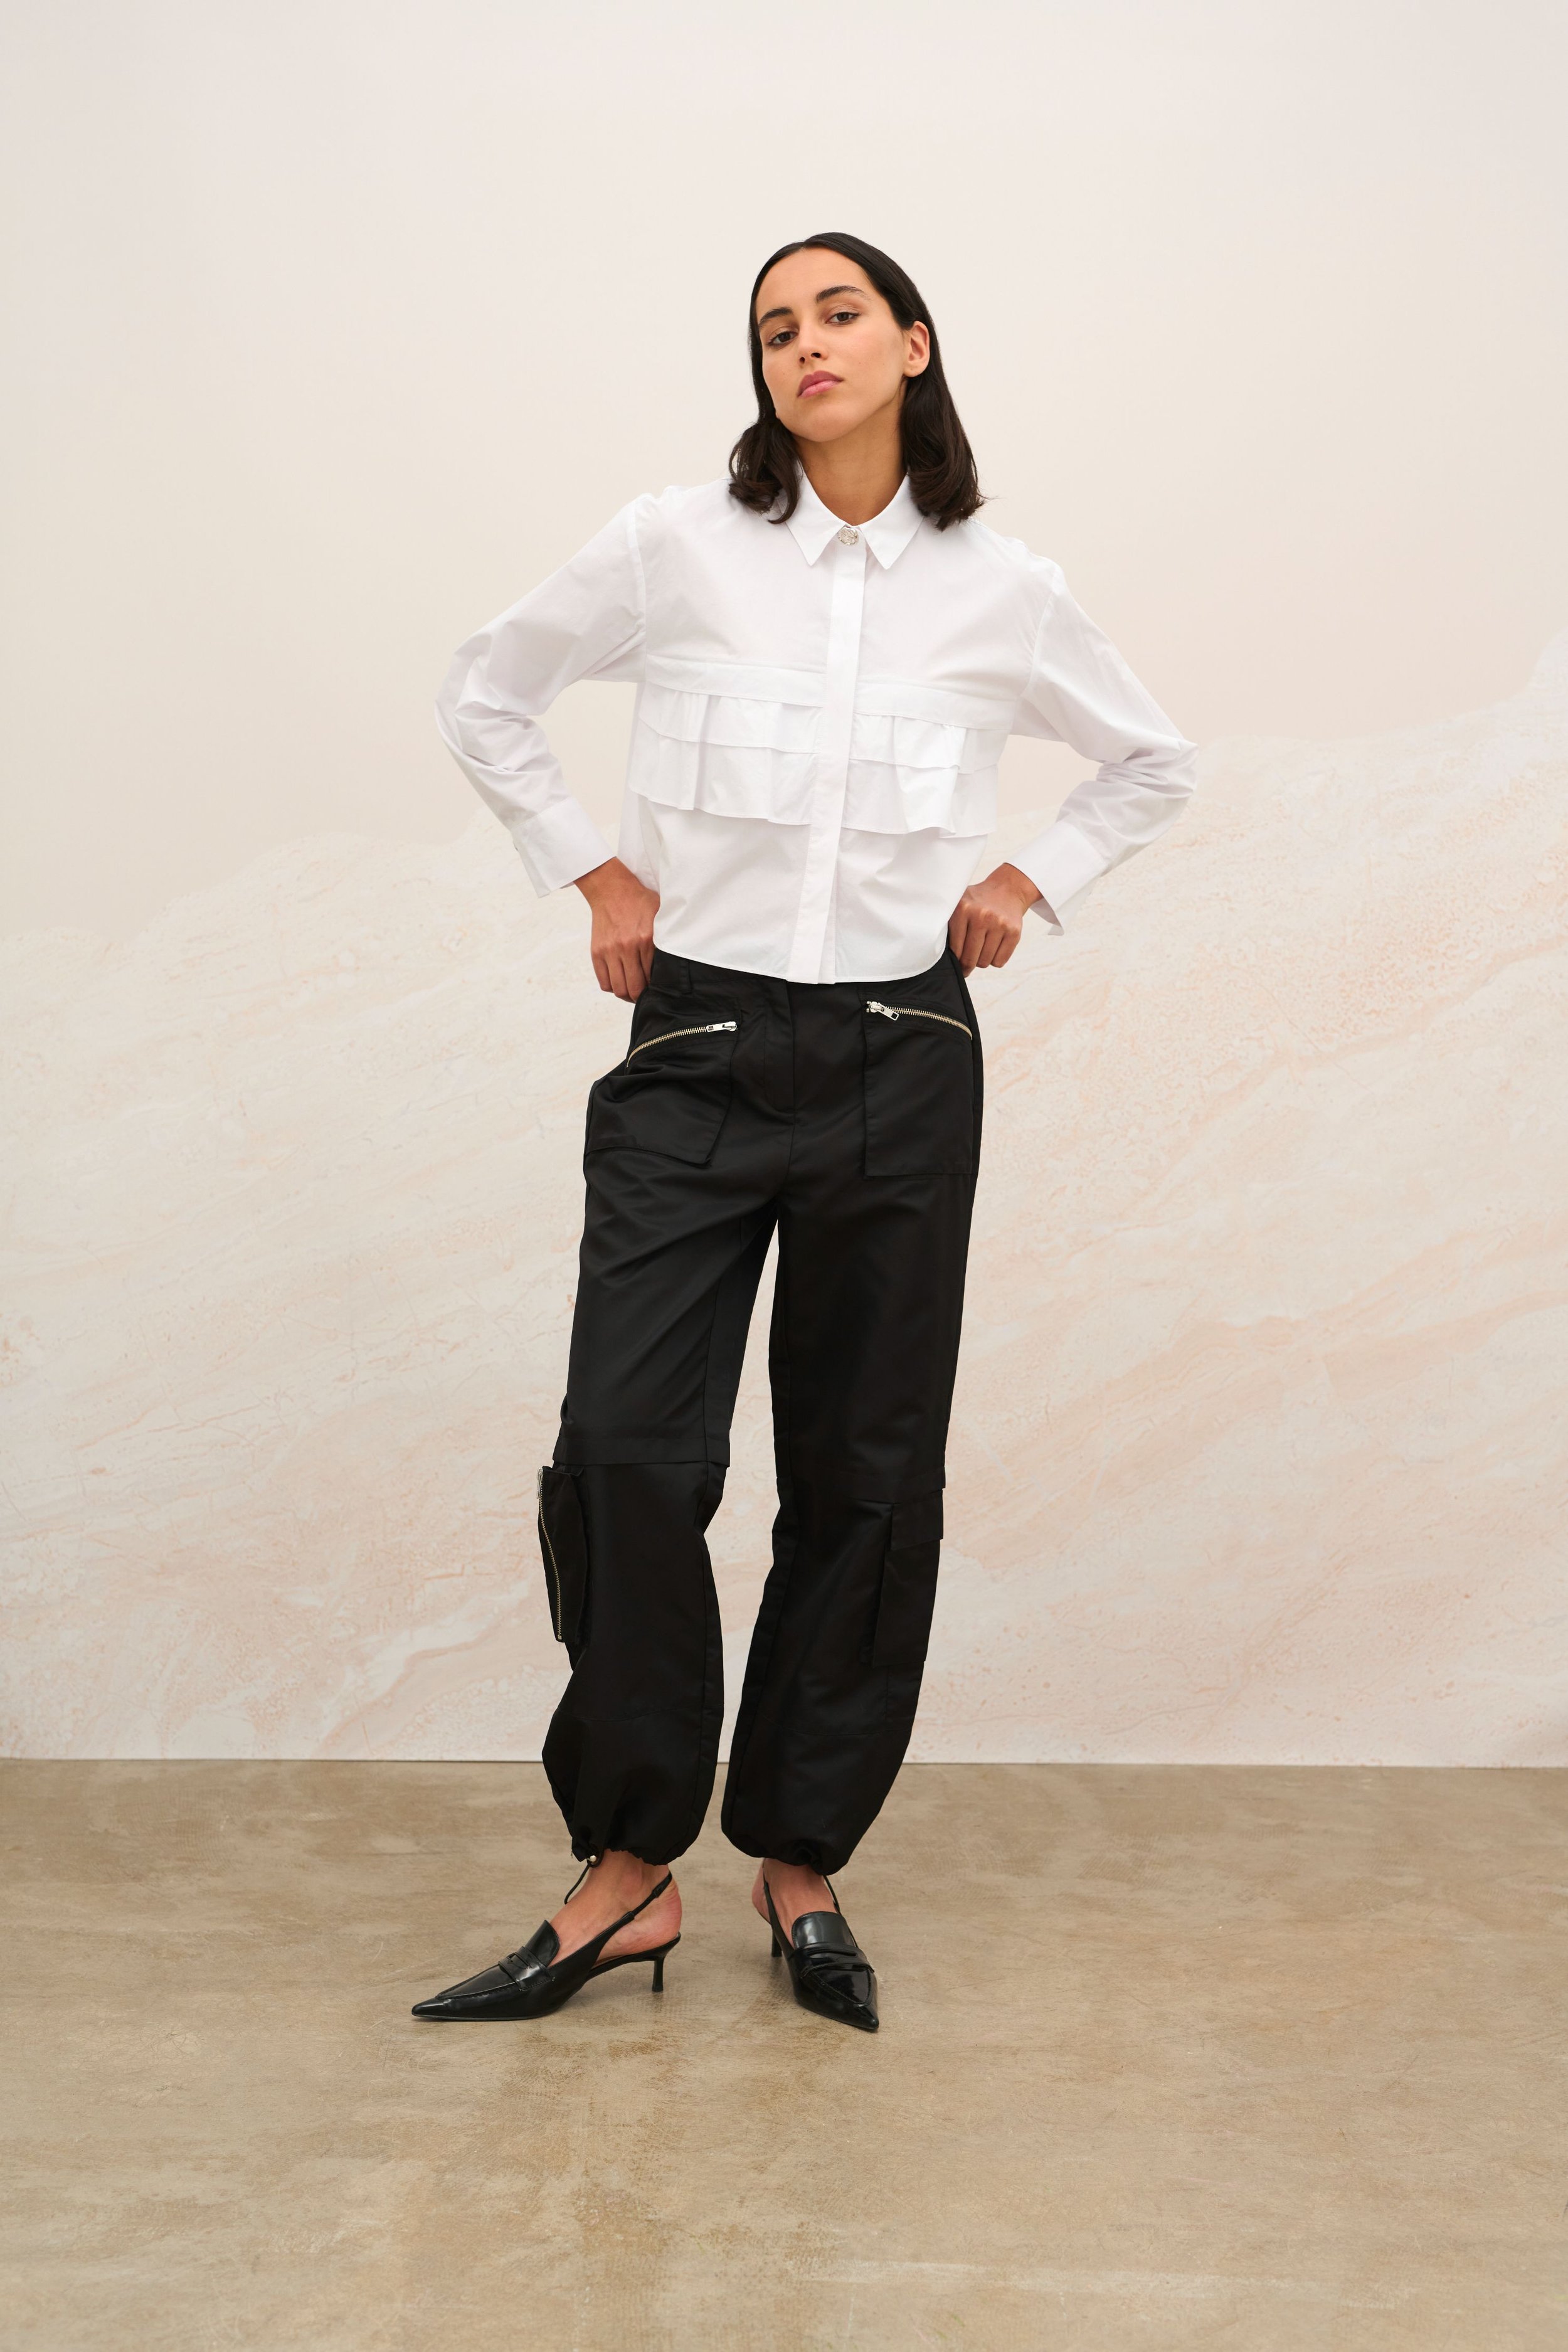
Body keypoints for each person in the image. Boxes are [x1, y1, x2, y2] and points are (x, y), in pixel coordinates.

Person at [412, 232, 1196, 2032]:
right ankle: (627, 1868)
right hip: (694, 1040)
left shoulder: (1003, 587)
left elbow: (1152, 759)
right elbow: (484, 688)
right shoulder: (674, 545)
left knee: (864, 1470)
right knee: (626, 1449)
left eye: (838, 314)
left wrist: (1029, 877)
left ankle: (800, 1858)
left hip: (902, 1055)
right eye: (774, 328)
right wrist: (594, 870)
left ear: (913, 344)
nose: (804, 346)